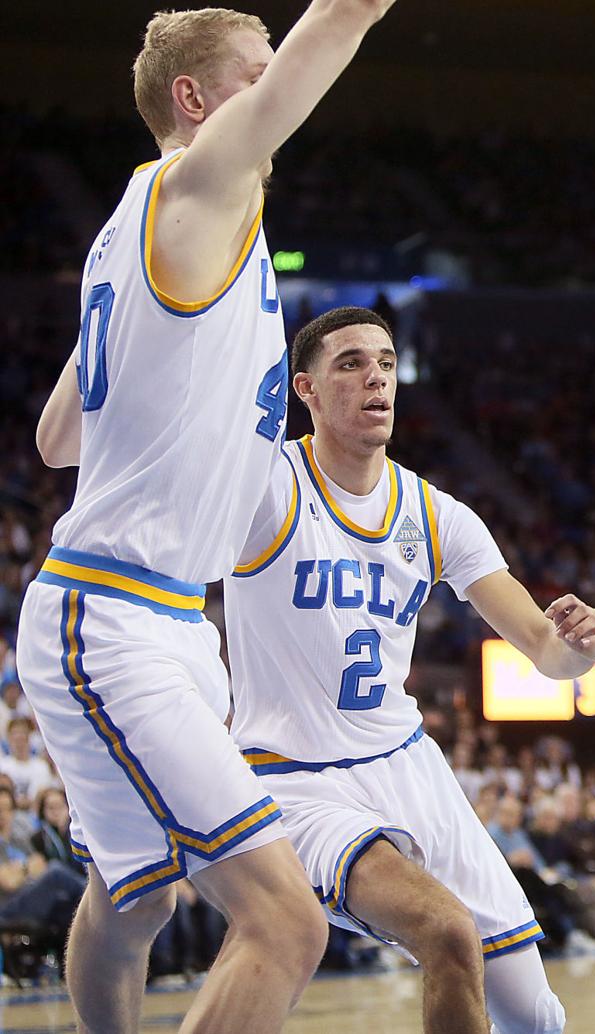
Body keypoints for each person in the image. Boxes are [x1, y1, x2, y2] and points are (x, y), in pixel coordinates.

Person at [22, 5, 397, 1029]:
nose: (277, 91)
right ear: (194, 100)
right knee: (285, 920)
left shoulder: (134, 229)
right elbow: (342, 20)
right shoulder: (197, 181)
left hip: (160, 613)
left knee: (134, 892)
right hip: (114, 613)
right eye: (256, 75)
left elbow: (60, 436)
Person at [223, 307, 595, 1033]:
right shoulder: (264, 485)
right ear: (302, 388)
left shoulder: (437, 516)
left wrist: (578, 650)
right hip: (296, 777)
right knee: (447, 933)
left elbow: (540, 646)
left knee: (537, 1016)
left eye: (386, 362)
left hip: (407, 766)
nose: (375, 375)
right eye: (350, 363)